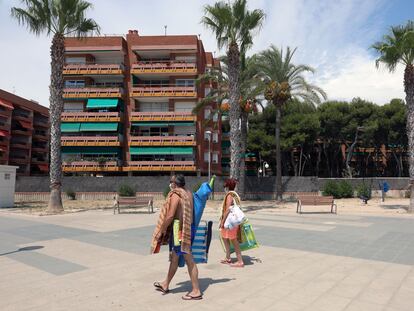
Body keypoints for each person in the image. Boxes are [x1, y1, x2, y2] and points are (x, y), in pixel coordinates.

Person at [150, 174, 202, 300]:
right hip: (188, 228)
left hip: (180, 231)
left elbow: (170, 215)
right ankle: (166, 284)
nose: (170, 184)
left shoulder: (175, 194)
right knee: (174, 257)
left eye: (170, 181)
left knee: (189, 260)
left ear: (175, 183)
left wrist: (161, 230)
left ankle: (196, 291)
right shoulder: (188, 193)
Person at [219, 178, 244, 268]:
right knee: (224, 237)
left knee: (233, 240)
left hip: (230, 222)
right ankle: (228, 257)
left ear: (228, 186)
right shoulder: (234, 195)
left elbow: (228, 210)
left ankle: (240, 261)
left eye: (225, 185)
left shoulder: (230, 195)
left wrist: (222, 222)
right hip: (232, 221)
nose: (224, 187)